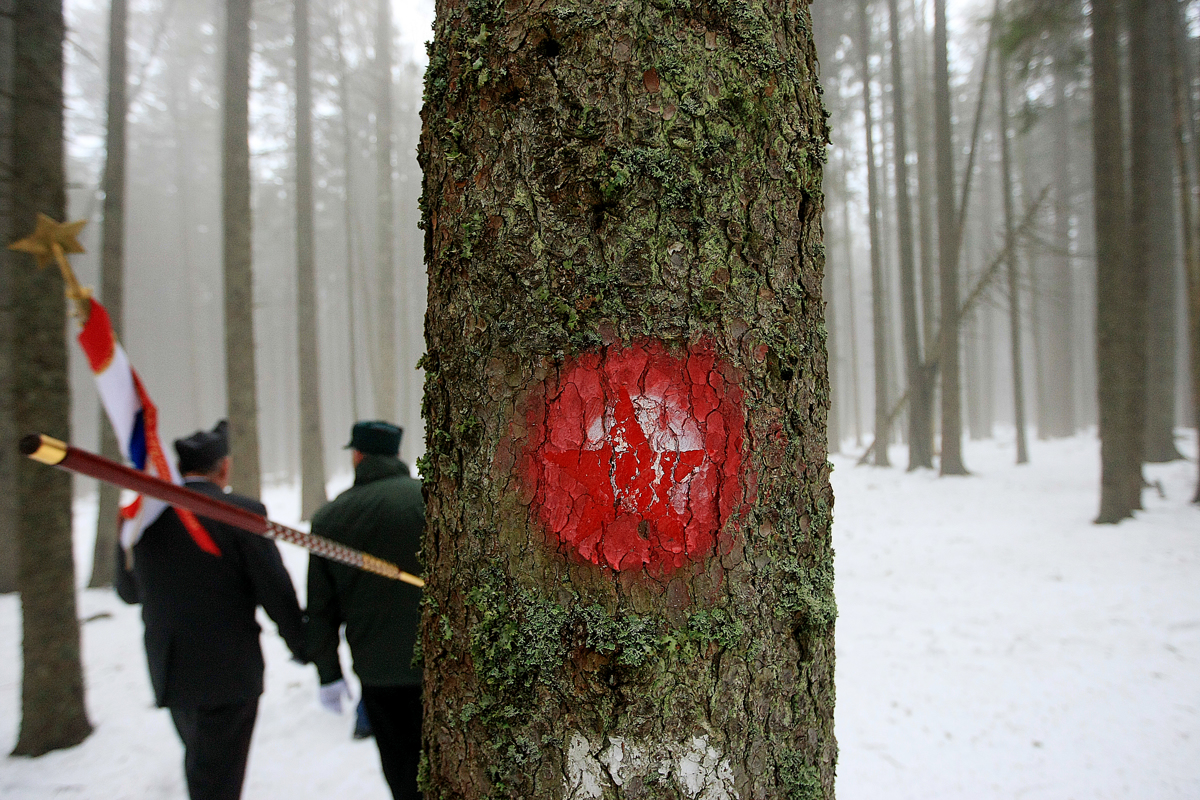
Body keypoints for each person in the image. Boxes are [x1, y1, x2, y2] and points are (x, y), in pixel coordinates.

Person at [116, 420, 306, 800]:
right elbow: (273, 589)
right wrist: (304, 645)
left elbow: (128, 590)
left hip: (172, 672)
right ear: (224, 468)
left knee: (205, 766)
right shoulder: (240, 513)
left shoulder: (147, 515)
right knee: (216, 781)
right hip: (228, 674)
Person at [305, 420, 424, 800]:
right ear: (397, 454)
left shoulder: (331, 518)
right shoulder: (431, 499)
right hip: (443, 661)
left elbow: (321, 611)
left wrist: (328, 673)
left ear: (357, 456)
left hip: (378, 671)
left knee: (401, 769)